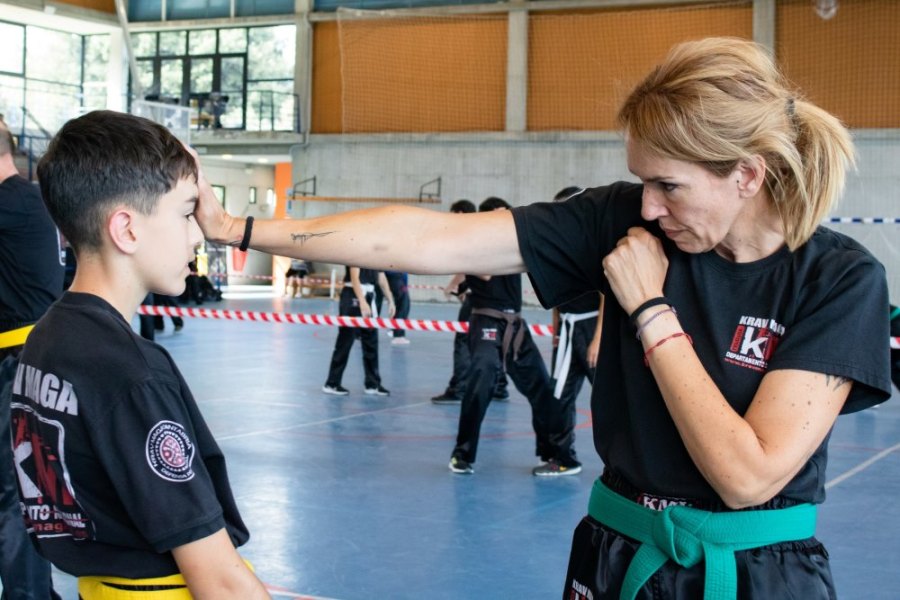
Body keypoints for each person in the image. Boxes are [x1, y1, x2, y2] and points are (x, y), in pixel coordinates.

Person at [195, 37, 891, 598]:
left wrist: (649, 309)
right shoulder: (623, 218)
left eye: (669, 186)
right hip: (619, 552)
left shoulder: (838, 280)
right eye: (643, 182)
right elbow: (433, 240)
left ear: (747, 174)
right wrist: (238, 229)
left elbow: (748, 475)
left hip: (753, 573)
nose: (649, 207)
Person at [12, 110, 268, 598]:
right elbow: (220, 581)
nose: (198, 234)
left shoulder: (46, 338)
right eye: (186, 213)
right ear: (126, 230)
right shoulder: (132, 373)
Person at [446, 196, 578, 475]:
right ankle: (462, 454)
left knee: (542, 388)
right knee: (480, 386)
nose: (503, 222)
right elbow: (483, 273)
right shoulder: (475, 246)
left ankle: (551, 453)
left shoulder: (515, 244)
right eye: (497, 216)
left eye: (506, 215)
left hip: (516, 325)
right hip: (486, 321)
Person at [0, 113, 62, 600]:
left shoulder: (13, 201)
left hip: (16, 364)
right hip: (23, 359)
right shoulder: (27, 200)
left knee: (14, 494)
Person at [545, 186, 604, 478]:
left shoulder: (593, 247)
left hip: (591, 328)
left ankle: (624, 466)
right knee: (560, 395)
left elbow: (606, 295)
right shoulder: (559, 250)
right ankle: (563, 458)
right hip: (568, 331)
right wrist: (557, 331)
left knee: (607, 398)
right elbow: (556, 296)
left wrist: (598, 339)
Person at [431, 199, 508, 405]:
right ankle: (499, 386)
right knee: (493, 344)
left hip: (484, 303)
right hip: (498, 302)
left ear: (462, 214)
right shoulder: (499, 237)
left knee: (464, 342)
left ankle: (459, 388)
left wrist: (454, 284)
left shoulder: (475, 235)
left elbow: (477, 269)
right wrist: (462, 286)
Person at [322, 266, 394, 396]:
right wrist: (362, 300)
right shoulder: (358, 254)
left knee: (371, 341)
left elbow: (381, 277)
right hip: (352, 296)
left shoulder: (377, 257)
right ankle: (332, 383)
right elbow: (354, 276)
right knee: (345, 341)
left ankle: (372, 384)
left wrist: (390, 300)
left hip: (369, 295)